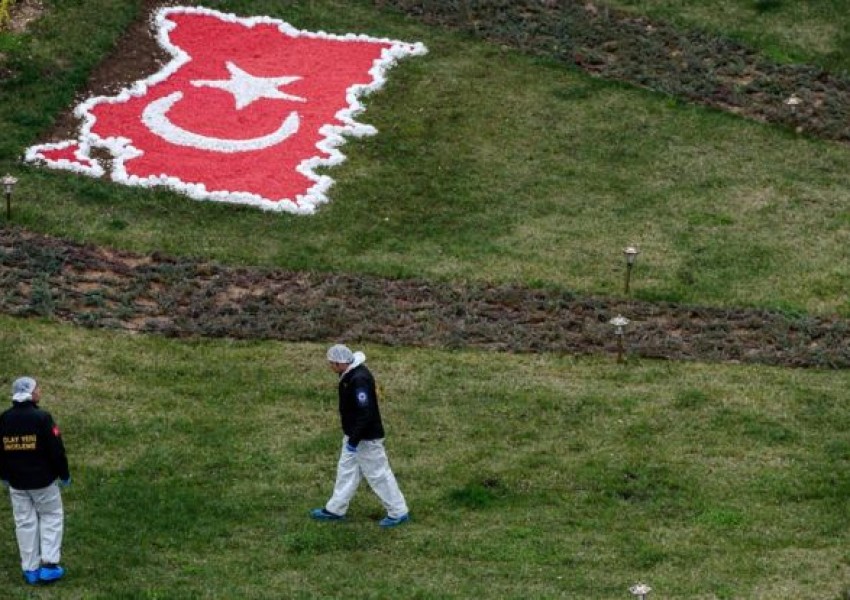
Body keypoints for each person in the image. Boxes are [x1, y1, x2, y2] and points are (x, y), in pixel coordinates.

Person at [310, 344, 410, 528]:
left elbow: (366, 413)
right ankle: (335, 509)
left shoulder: (358, 380)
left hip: (365, 438)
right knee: (346, 471)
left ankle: (398, 511)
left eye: (332, 363)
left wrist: (354, 440)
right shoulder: (351, 375)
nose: (330, 367)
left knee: (378, 474)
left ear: (340, 363)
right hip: (354, 436)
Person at [0, 377, 70, 585]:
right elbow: (56, 450)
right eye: (37, 388)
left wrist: (3, 474)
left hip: (17, 483)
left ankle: (30, 568)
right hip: (43, 482)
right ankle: (49, 565)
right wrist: (64, 474)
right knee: (51, 516)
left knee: (24, 522)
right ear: (30, 393)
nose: (40, 391)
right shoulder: (42, 418)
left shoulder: (4, 419)